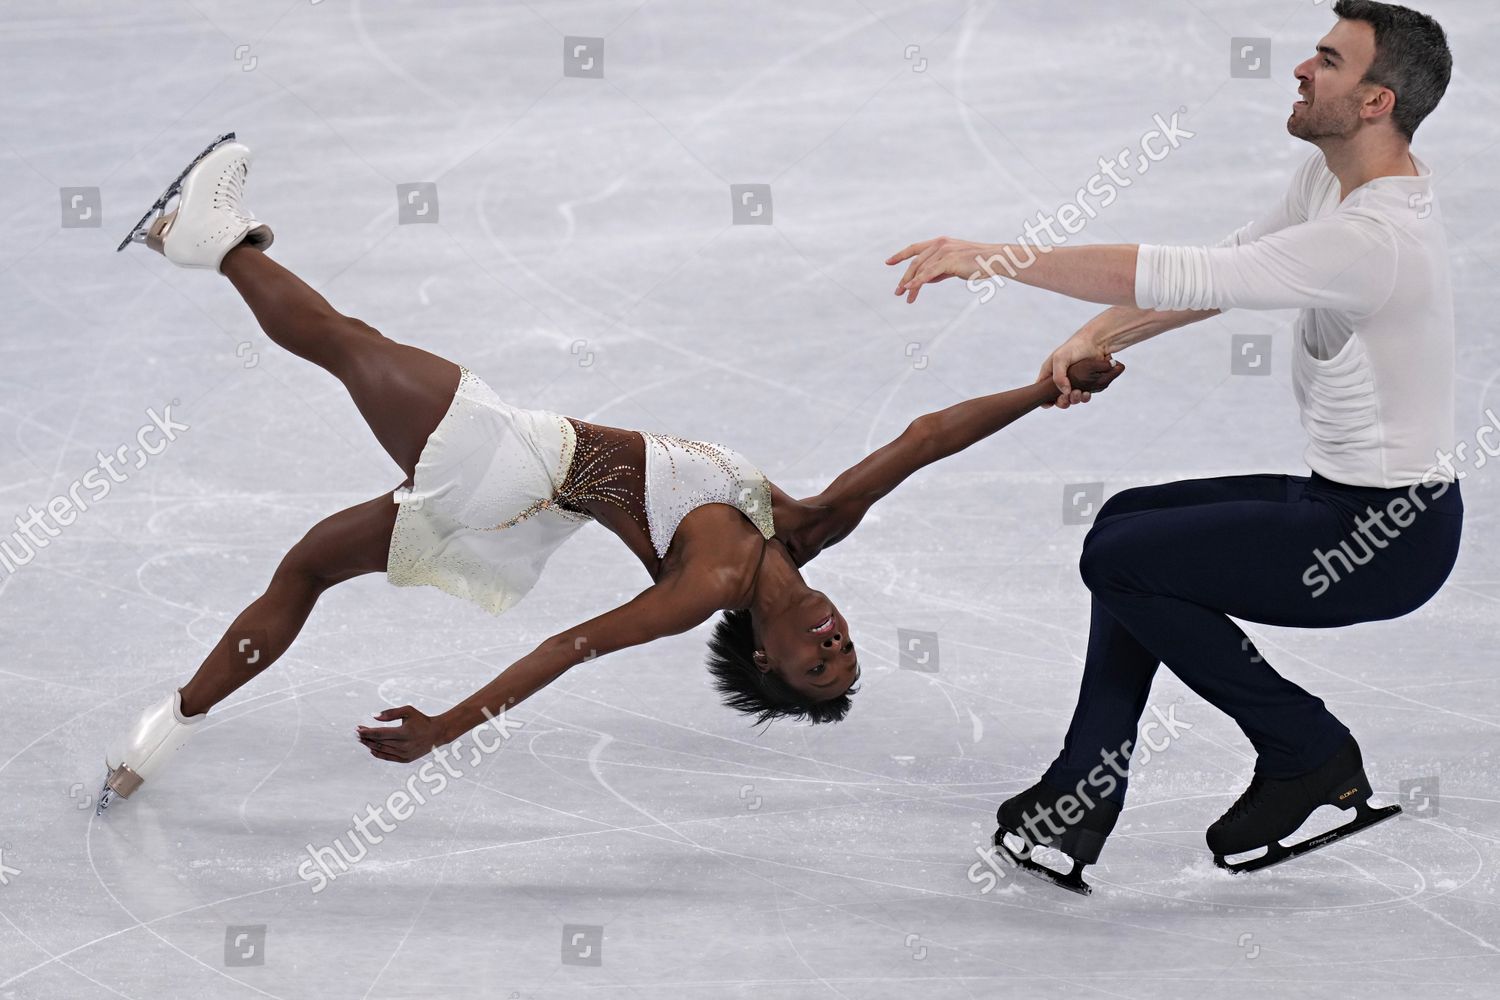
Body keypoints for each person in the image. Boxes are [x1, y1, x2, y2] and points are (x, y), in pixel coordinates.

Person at [97, 135, 1125, 812]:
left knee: (341, 342)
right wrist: (1044, 390)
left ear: (765, 659)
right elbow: (926, 436)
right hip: (514, 494)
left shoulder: (713, 581)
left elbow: (574, 644)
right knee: (309, 568)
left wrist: (446, 728)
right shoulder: (803, 529)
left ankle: (205, 235)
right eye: (847, 651)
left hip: (515, 464)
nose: (834, 641)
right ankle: (158, 738)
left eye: (819, 666)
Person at [888, 0, 1460, 892]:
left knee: (1126, 560)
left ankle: (1306, 748)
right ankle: (1081, 794)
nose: (1302, 70)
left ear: (1378, 101)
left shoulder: (1373, 241)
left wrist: (995, 256)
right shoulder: (1332, 186)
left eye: (1329, 60)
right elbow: (1229, 266)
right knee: (1126, 526)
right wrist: (1100, 338)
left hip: (1384, 540)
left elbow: (1190, 271)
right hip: (1347, 504)